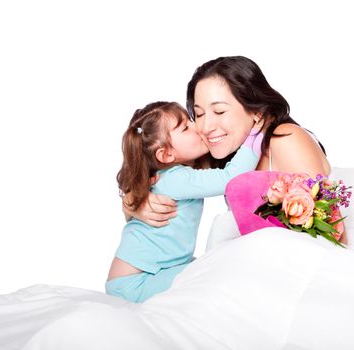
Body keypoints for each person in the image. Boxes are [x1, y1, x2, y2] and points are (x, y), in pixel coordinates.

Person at [124, 56, 346, 248]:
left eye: (219, 111)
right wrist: (135, 203)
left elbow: (333, 234)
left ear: (256, 110)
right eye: (199, 114)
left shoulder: (286, 140)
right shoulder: (225, 151)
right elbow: (157, 174)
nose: (205, 126)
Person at [106, 101, 262, 303]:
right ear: (166, 154)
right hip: (137, 282)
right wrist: (258, 132)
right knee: (216, 271)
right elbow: (229, 178)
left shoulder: (173, 176)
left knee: (216, 267)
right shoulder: (175, 179)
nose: (197, 126)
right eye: (186, 128)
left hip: (151, 275)